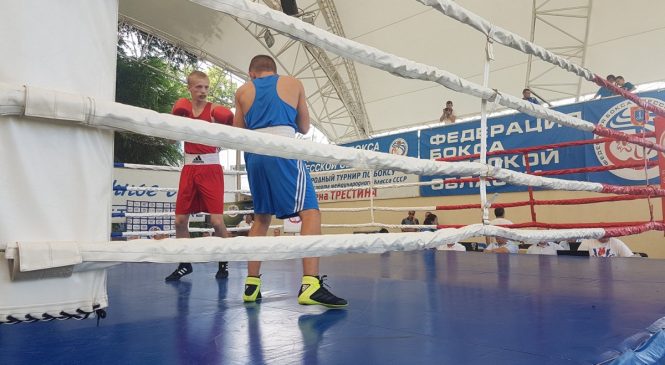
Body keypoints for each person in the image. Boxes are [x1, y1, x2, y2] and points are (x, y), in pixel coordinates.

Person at [233, 55, 347, 307]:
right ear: (274, 70)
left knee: (262, 218)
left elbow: (237, 132)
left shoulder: (242, 91)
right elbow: (304, 127)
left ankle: (251, 285)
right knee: (310, 212)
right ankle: (310, 285)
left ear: (251, 73)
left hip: (254, 155)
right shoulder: (292, 82)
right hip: (282, 148)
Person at [165, 70, 233, 282]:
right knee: (179, 220)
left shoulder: (214, 112)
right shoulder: (182, 111)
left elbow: (231, 134)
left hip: (210, 169)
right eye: (198, 87)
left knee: (216, 220)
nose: (203, 91)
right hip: (189, 168)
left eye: (206, 87)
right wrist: (175, 121)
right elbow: (169, 141)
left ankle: (224, 260)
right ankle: (185, 263)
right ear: (190, 88)